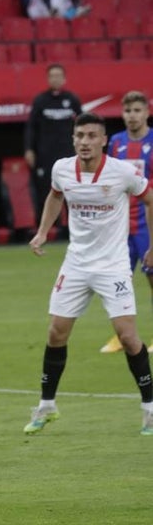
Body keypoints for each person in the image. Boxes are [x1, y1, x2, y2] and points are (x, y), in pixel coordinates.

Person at [25, 112, 153, 436]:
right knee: (56, 332)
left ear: (103, 140)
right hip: (77, 264)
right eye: (79, 136)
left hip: (113, 266)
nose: (85, 142)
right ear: (73, 139)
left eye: (91, 136)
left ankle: (149, 409)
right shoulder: (61, 169)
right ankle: (46, 406)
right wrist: (42, 232)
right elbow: (55, 196)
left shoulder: (123, 172)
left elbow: (150, 198)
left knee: (127, 336)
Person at [101, 91, 153, 354]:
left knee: (152, 277)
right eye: (127, 111)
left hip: (148, 221)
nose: (132, 116)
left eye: (137, 110)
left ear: (146, 112)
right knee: (118, 280)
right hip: (121, 224)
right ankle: (121, 336)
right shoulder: (116, 143)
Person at [26, 64, 83, 213]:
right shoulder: (40, 101)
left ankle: (72, 226)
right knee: (47, 191)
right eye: (52, 76)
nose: (55, 79)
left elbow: (82, 125)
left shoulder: (72, 99)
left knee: (72, 191)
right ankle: (48, 228)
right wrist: (29, 149)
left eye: (58, 76)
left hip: (68, 153)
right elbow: (31, 127)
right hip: (46, 155)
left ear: (64, 79)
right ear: (48, 79)